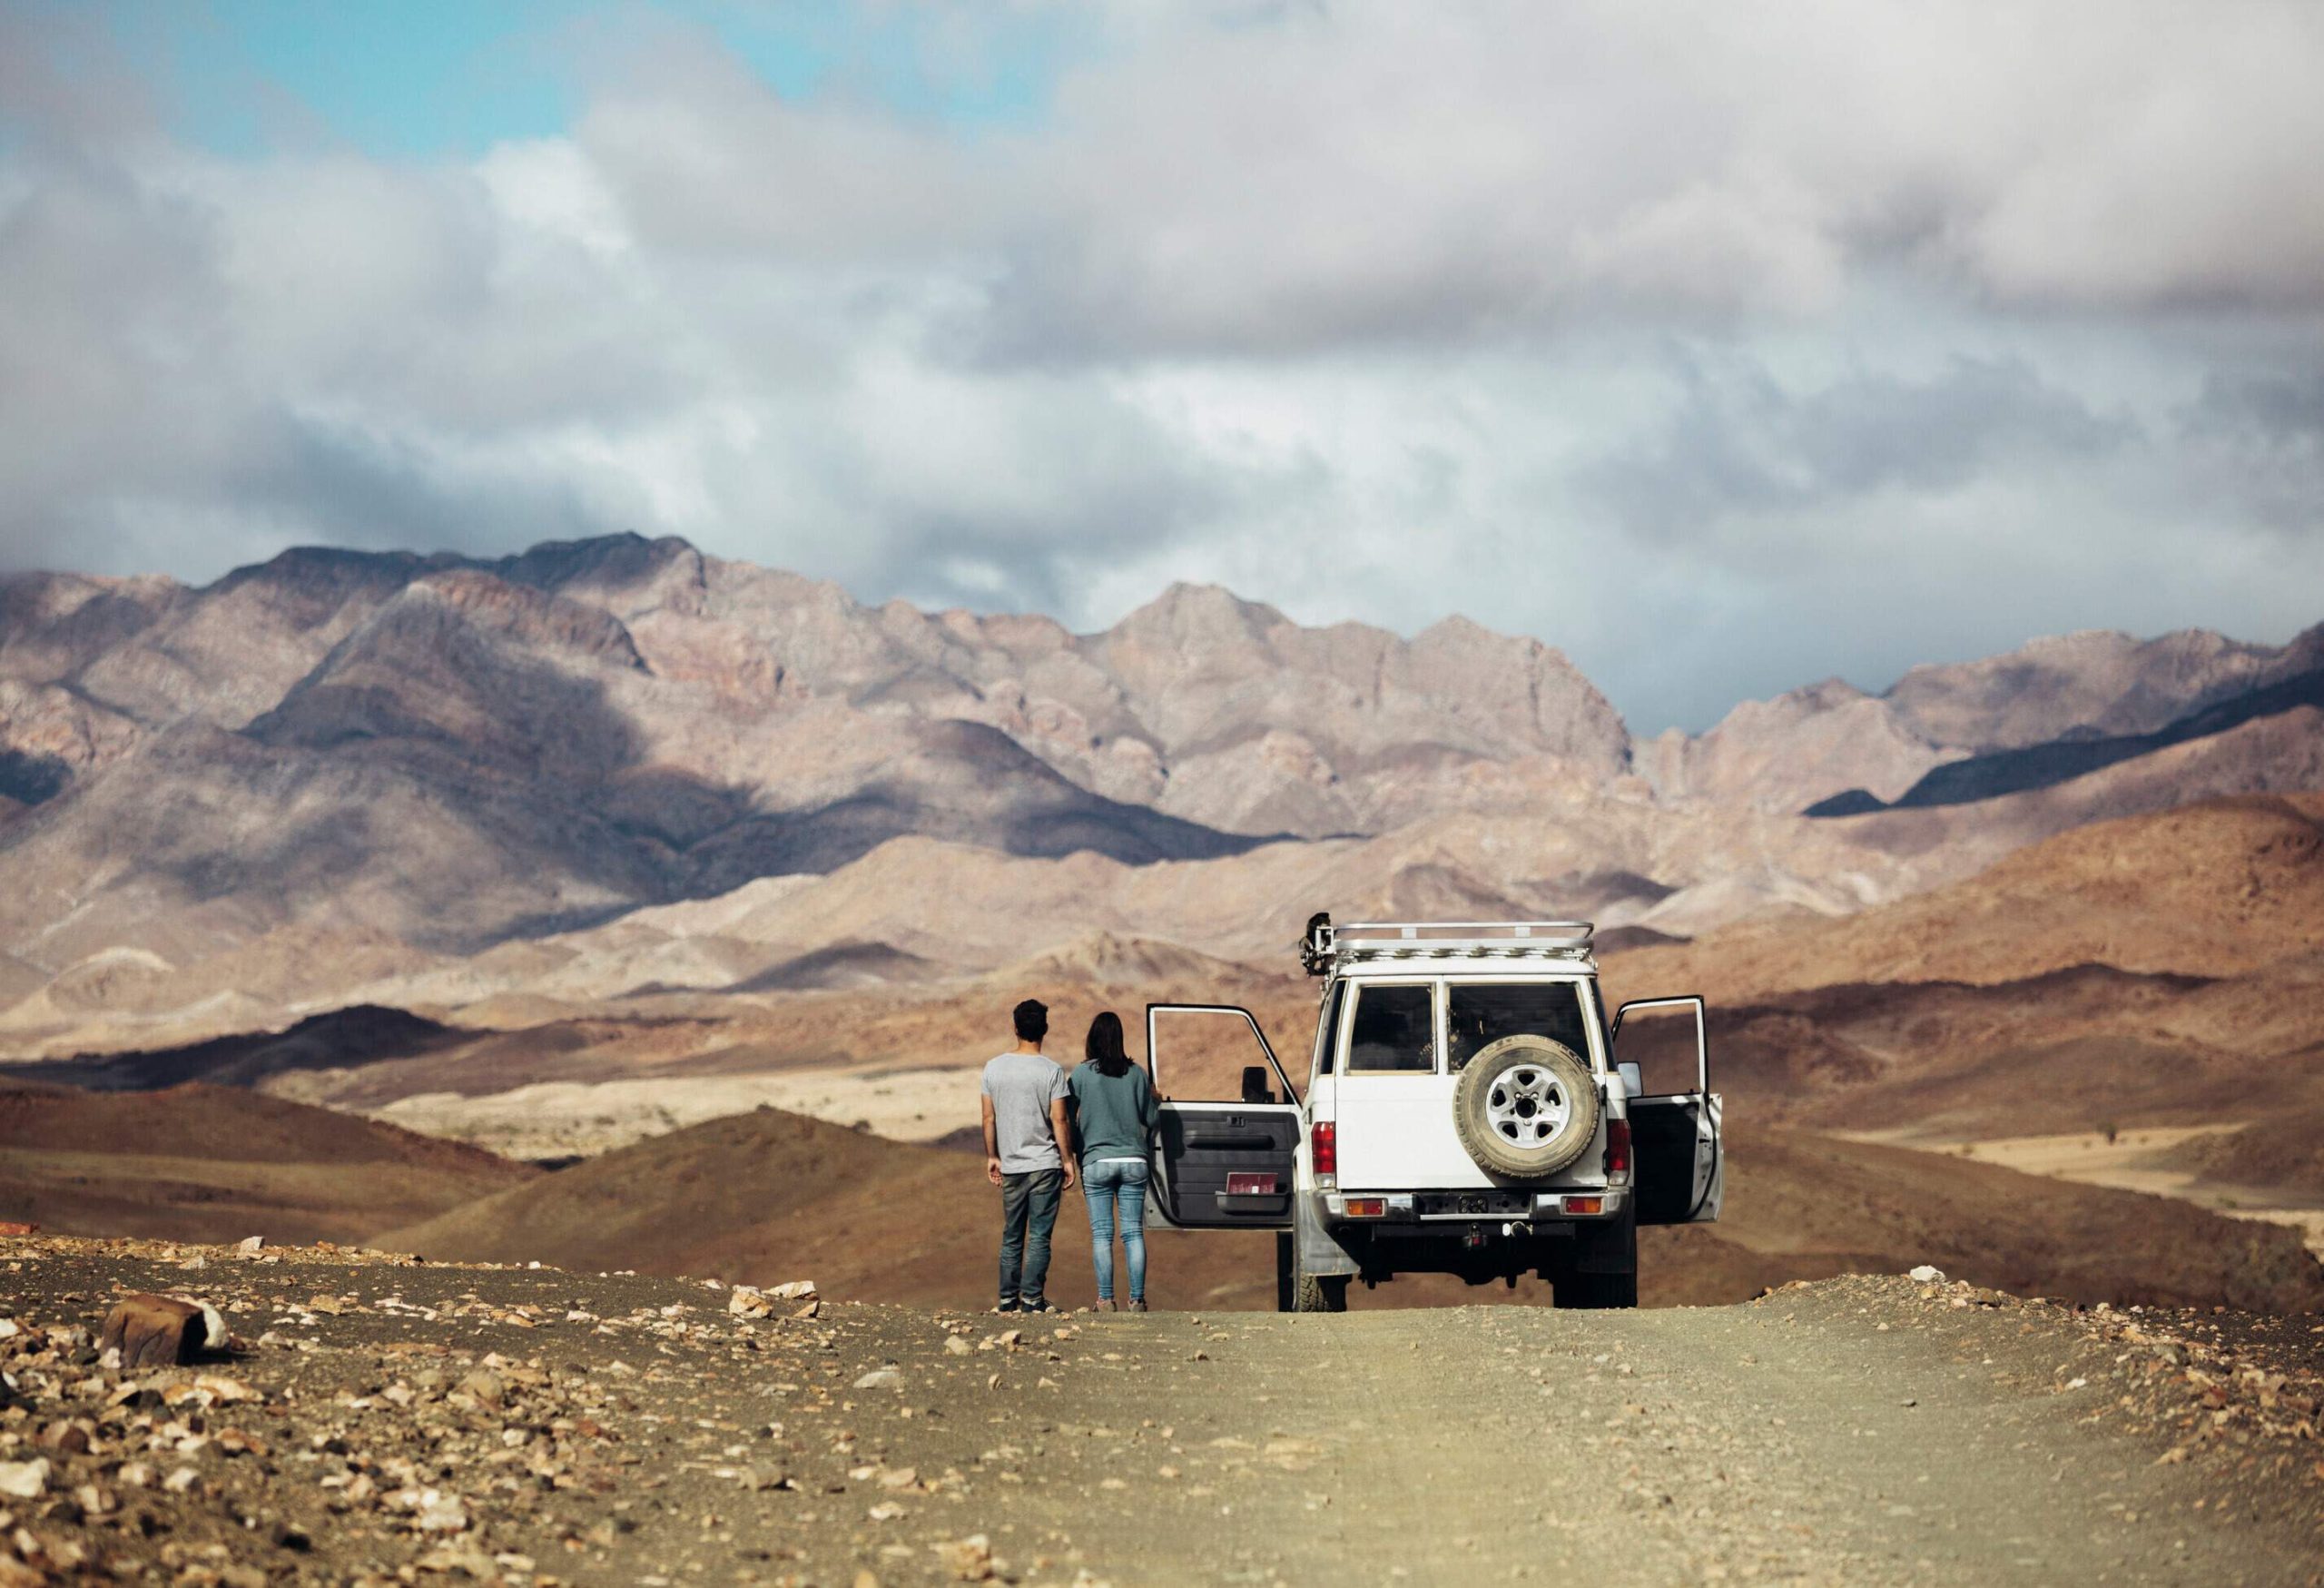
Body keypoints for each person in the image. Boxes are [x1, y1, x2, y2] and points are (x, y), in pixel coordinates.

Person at [981, 998, 1075, 1314]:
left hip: (1012, 1164)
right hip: (1045, 1164)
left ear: (1015, 1027)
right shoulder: (1052, 1071)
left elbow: (988, 1118)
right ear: (1044, 1029)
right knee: (1038, 1236)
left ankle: (1008, 1298)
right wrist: (1067, 1159)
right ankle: (1033, 1298)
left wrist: (992, 1155)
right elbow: (1059, 1120)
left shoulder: (993, 1068)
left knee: (1012, 1234)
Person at [1068, 1011, 1159, 1313]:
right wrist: (1155, 1099)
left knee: (1102, 1234)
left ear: (1092, 1038)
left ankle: (1105, 1299)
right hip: (1134, 1160)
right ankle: (1137, 1299)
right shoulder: (1137, 1074)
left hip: (1096, 1162)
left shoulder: (1080, 1075)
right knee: (1133, 1231)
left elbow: (1066, 1117)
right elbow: (1151, 1119)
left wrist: (1074, 1150)